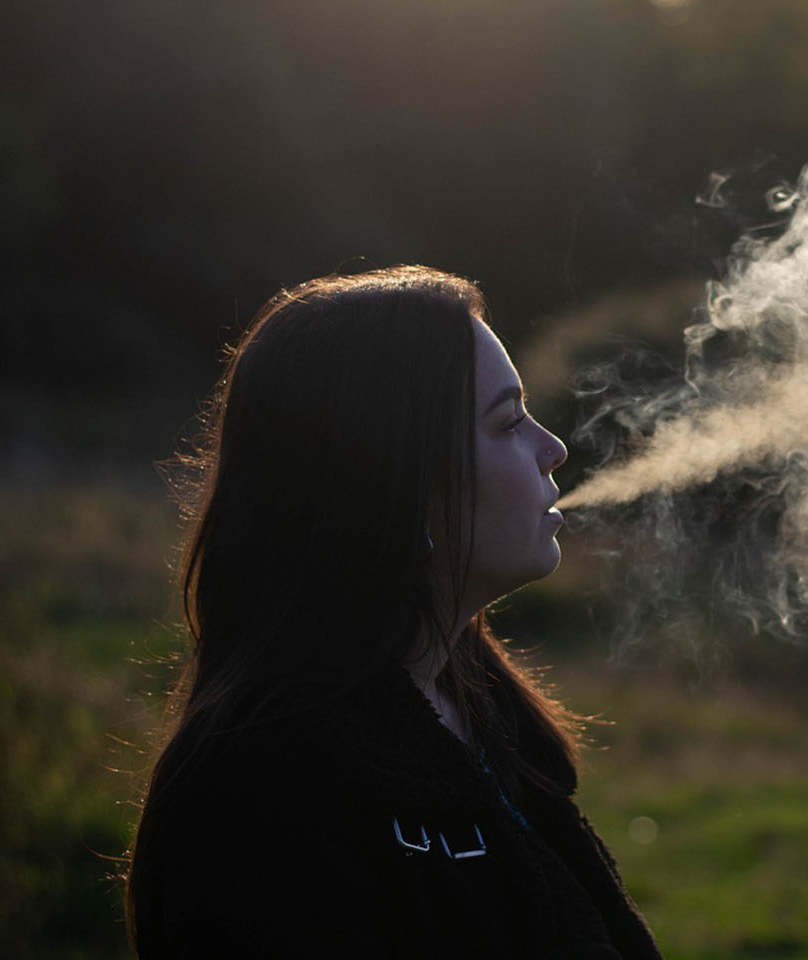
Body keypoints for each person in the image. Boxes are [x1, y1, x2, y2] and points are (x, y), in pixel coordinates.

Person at [125, 265, 663, 959]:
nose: (552, 448)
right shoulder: (255, 798)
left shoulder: (480, 709)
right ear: (400, 487)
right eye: (506, 422)